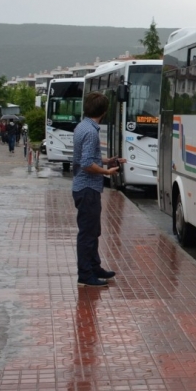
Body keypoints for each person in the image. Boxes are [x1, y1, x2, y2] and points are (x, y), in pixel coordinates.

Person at [72, 92, 125, 288]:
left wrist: (108, 160)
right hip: (88, 188)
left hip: (82, 187)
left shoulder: (82, 127)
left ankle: (95, 267)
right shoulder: (92, 132)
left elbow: (84, 157)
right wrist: (107, 171)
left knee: (93, 231)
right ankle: (85, 275)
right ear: (104, 111)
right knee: (88, 233)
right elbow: (86, 163)